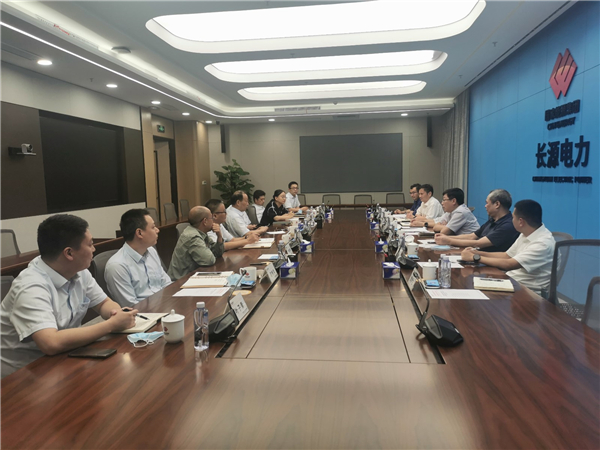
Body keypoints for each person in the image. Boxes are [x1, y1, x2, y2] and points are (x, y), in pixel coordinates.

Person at [0, 214, 137, 378]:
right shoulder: (30, 287)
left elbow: (103, 303)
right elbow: (51, 343)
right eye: (90, 244)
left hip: (63, 360)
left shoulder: (78, 271)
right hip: (23, 376)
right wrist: (111, 325)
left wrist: (115, 313)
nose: (94, 249)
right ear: (69, 253)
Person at [460, 199, 555, 295]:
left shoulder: (542, 243)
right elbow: (507, 255)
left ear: (521, 222)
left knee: (471, 290)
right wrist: (476, 253)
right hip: (512, 282)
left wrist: (475, 257)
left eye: (513, 217)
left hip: (528, 292)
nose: (511, 220)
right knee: (469, 285)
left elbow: (509, 264)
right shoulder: (526, 233)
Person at [105, 209, 172, 307]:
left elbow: (167, 284)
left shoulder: (151, 251)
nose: (157, 230)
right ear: (139, 233)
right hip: (143, 314)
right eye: (153, 227)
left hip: (163, 306)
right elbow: (131, 306)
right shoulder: (117, 266)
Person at [435, 189, 519, 252]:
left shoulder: (508, 225)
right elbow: (472, 236)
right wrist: (446, 237)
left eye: (487, 203)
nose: (485, 206)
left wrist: (449, 240)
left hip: (492, 263)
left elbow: (478, 243)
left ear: (497, 204)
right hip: (479, 255)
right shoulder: (492, 220)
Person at [168, 206, 224, 280]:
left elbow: (217, 253)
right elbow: (209, 260)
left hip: (191, 276)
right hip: (180, 281)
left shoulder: (201, 233)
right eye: (211, 218)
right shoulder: (193, 237)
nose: (213, 221)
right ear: (205, 221)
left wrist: (219, 236)